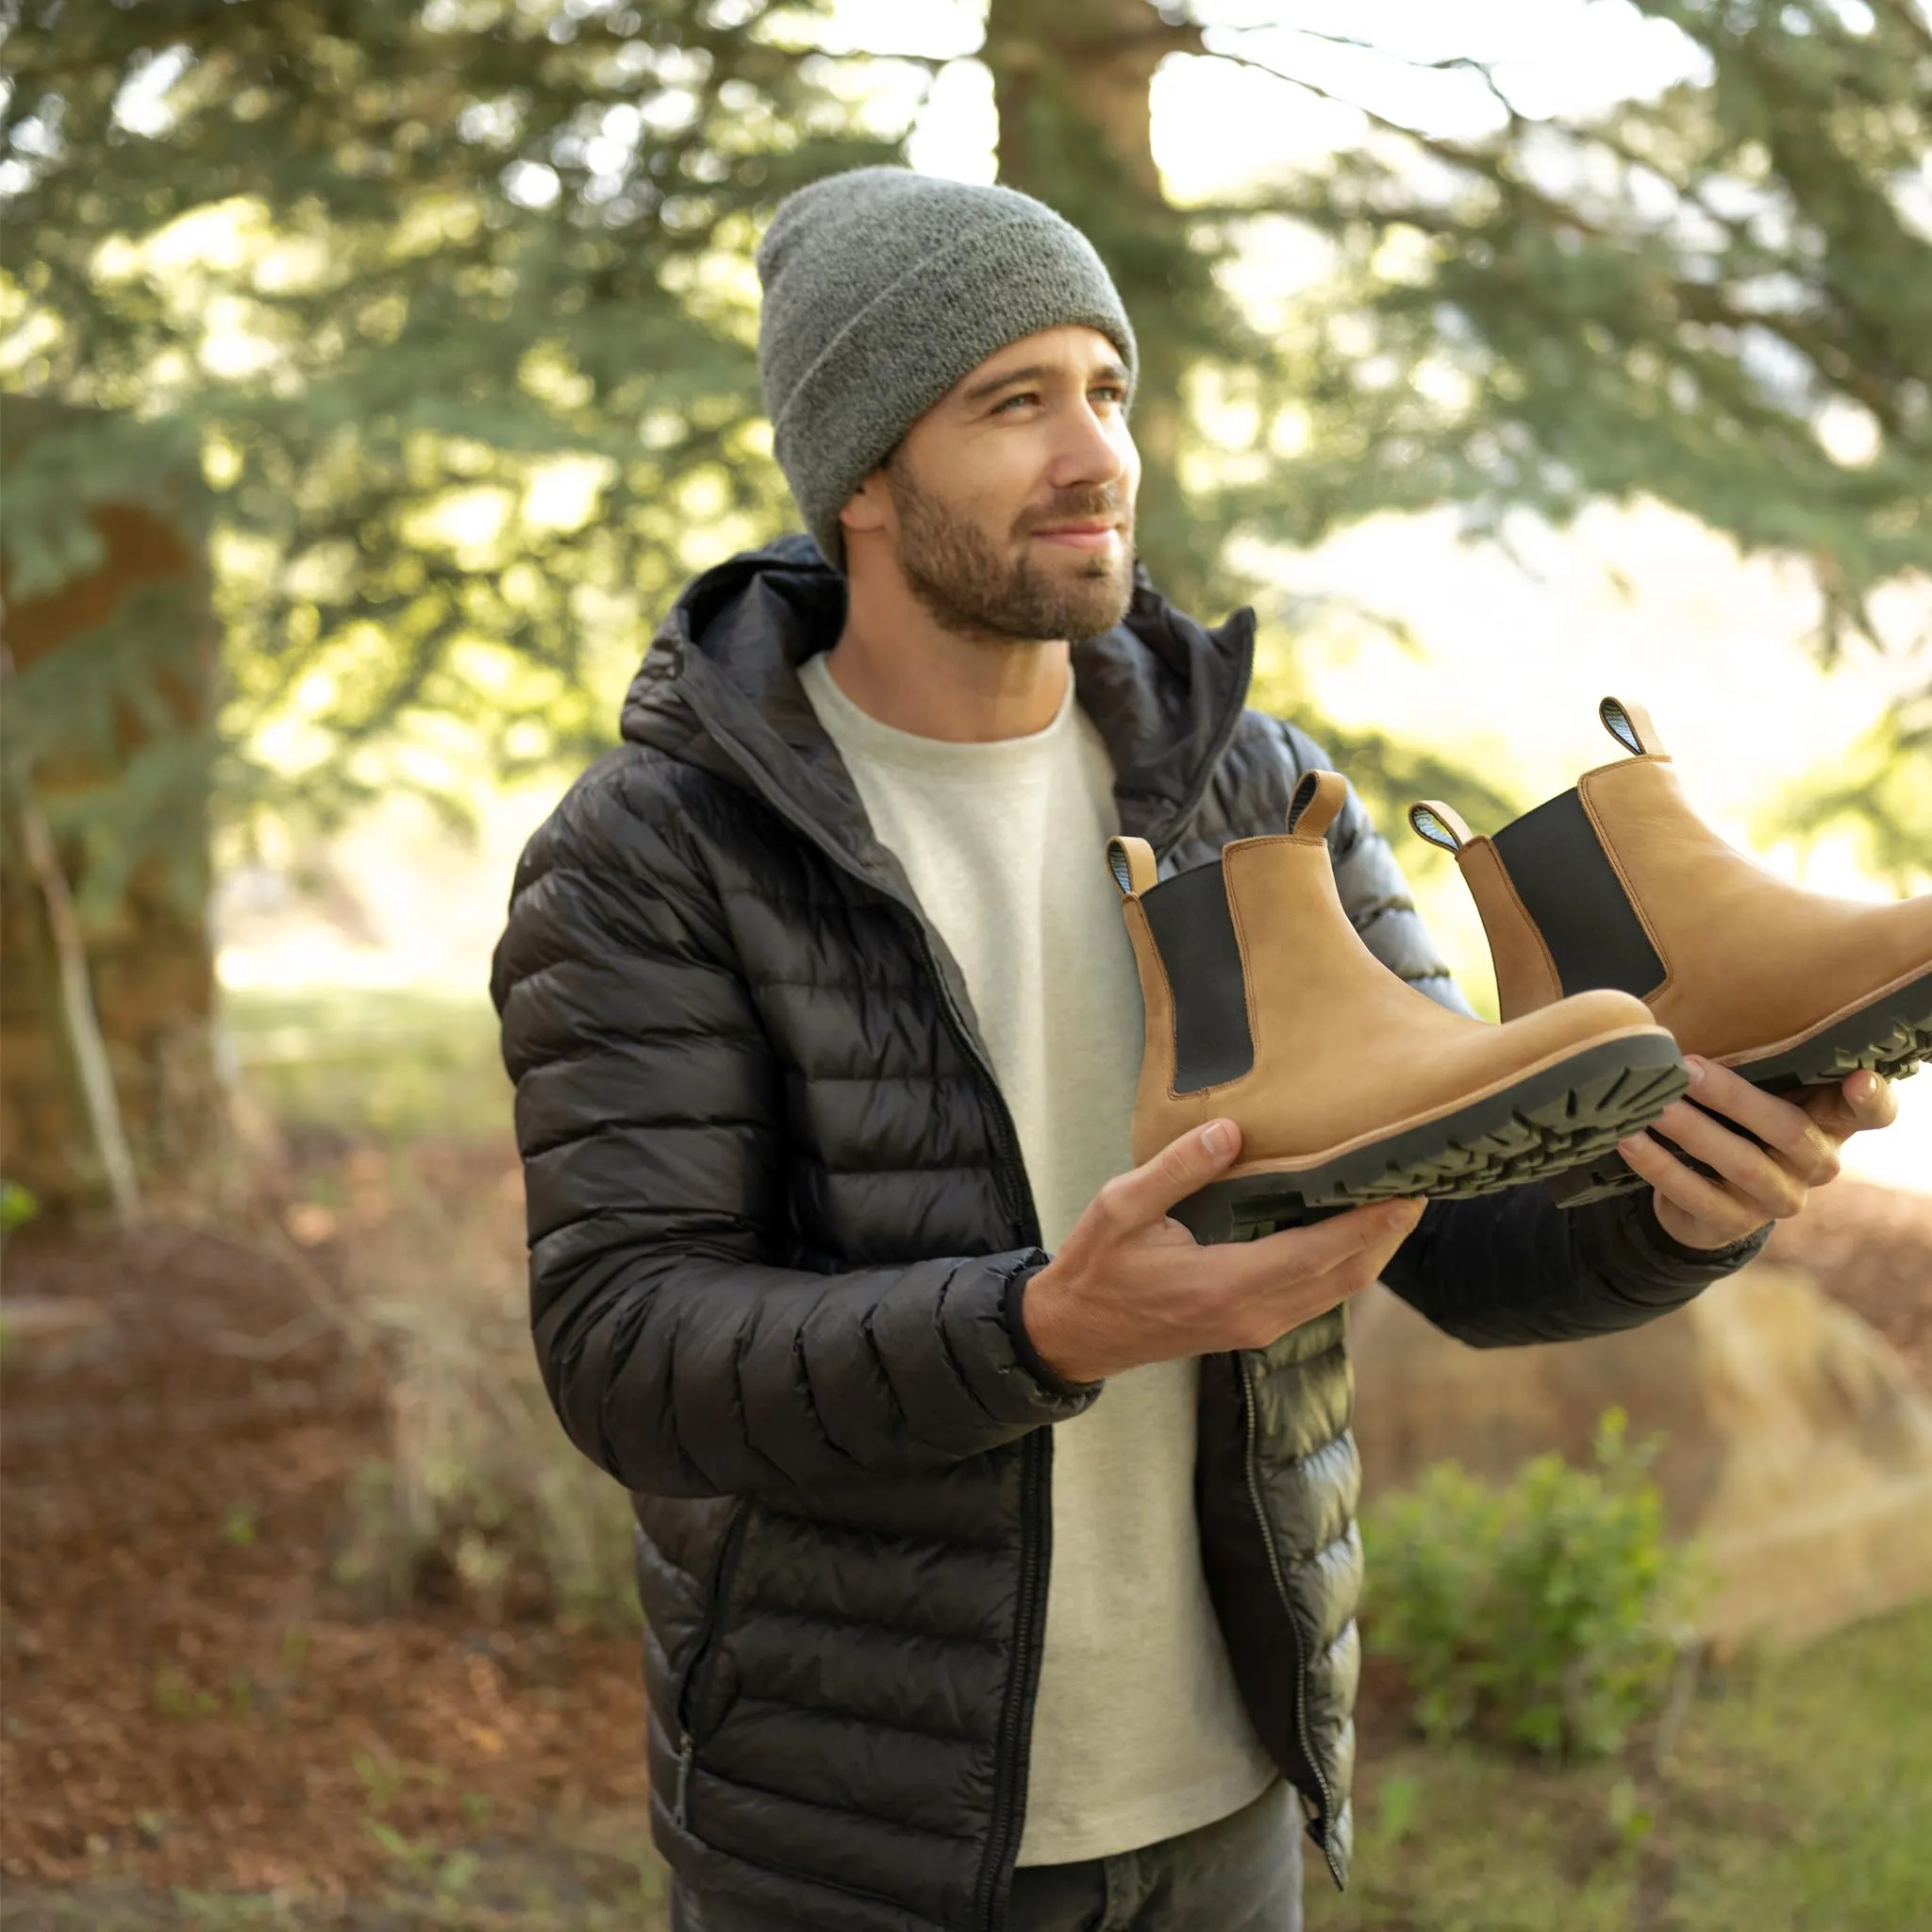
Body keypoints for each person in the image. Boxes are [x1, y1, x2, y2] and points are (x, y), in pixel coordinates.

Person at [490, 168, 1896, 1932]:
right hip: (858, 1841)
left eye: (1106, 390)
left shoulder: (1256, 785)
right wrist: (1043, 1326)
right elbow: (630, 1352)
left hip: (1230, 1804)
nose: (1096, 455)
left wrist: (1683, 1215)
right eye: (1013, 403)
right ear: (859, 473)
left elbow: (1459, 1227)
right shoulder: (660, 851)